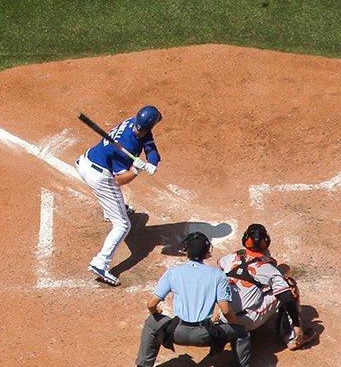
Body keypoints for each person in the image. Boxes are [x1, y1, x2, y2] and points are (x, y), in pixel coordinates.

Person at [134, 231, 252, 367]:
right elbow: (225, 311)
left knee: (151, 322)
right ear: (207, 251)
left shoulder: (173, 273)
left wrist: (155, 312)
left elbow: (151, 304)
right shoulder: (217, 275)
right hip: (205, 335)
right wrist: (234, 328)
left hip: (176, 332)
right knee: (241, 333)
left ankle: (142, 366)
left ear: (186, 251)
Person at [75, 104, 162, 285]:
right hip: (99, 176)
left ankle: (112, 209)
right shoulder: (127, 145)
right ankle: (101, 263)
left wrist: (152, 162)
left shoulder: (134, 122)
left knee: (118, 205)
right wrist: (137, 170)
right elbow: (119, 180)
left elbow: (150, 146)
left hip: (86, 161)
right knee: (122, 224)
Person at [219, 223, 307, 349]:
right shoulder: (268, 268)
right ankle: (293, 337)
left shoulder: (232, 256)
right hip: (246, 321)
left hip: (224, 313)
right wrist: (297, 324)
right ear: (266, 242)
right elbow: (286, 297)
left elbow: (220, 265)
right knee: (289, 285)